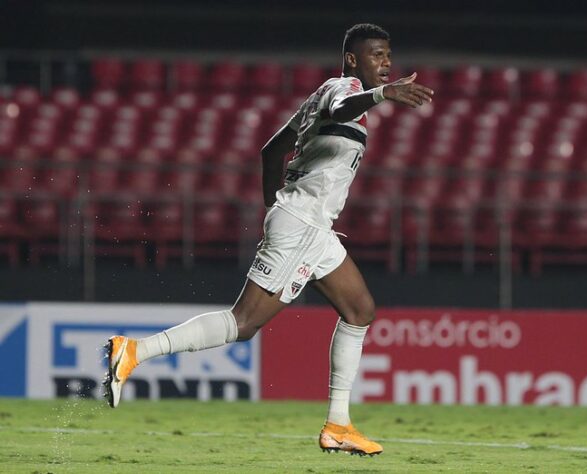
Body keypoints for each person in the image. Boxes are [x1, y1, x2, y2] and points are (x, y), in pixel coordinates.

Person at [103, 23, 434, 456]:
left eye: (388, 55)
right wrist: (380, 95)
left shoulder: (320, 97)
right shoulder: (342, 87)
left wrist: (272, 205)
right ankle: (133, 351)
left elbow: (272, 150)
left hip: (311, 228)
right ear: (353, 59)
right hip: (301, 224)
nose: (386, 63)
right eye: (376, 54)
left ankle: (338, 424)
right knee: (243, 324)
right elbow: (339, 110)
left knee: (360, 310)